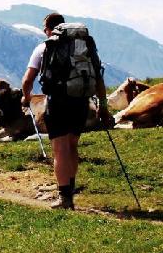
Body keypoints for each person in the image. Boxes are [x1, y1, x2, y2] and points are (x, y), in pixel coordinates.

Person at [20, 12, 110, 209]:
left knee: (59, 150)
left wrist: (27, 98)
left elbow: (27, 80)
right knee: (72, 146)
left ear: (48, 30)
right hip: (81, 101)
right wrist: (103, 108)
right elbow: (99, 79)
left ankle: (65, 198)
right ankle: (70, 189)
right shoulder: (84, 47)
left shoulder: (44, 47)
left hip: (58, 102)